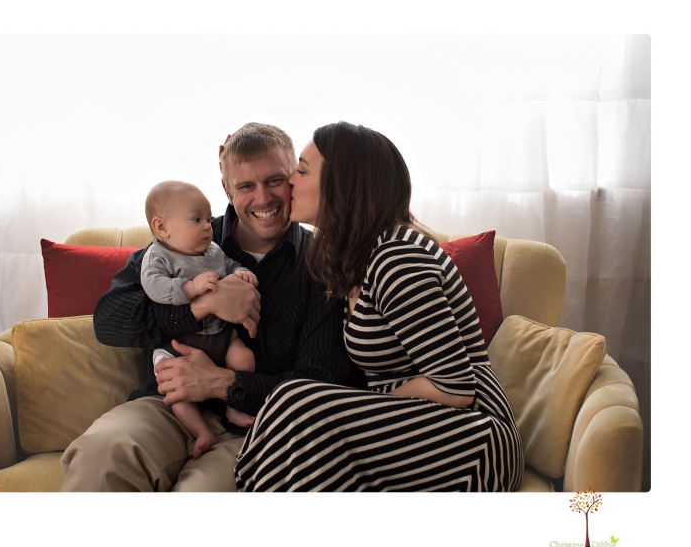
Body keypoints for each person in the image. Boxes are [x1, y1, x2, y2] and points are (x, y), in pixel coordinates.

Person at [59, 122, 355, 491]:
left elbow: (320, 381)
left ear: (293, 178)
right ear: (227, 189)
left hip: (257, 423)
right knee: (101, 453)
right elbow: (109, 322)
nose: (263, 198)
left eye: (274, 180)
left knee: (203, 492)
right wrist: (202, 304)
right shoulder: (183, 237)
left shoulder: (321, 263)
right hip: (166, 405)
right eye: (246, 186)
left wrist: (225, 384)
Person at [234, 121, 524, 491]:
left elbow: (455, 388)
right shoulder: (356, 260)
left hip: (474, 443)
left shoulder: (397, 257)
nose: (289, 180)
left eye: (302, 170)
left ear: (343, 185)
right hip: (409, 434)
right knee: (289, 401)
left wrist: (359, 404)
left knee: (298, 400)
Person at [141, 180, 259, 458]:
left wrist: (240, 273)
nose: (208, 226)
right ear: (162, 227)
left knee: (245, 358)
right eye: (197, 220)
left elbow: (229, 265)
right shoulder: (157, 257)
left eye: (208, 219)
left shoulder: (213, 250)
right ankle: (200, 431)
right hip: (181, 345)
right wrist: (192, 289)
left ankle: (234, 408)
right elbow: (154, 286)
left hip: (219, 335)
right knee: (175, 388)